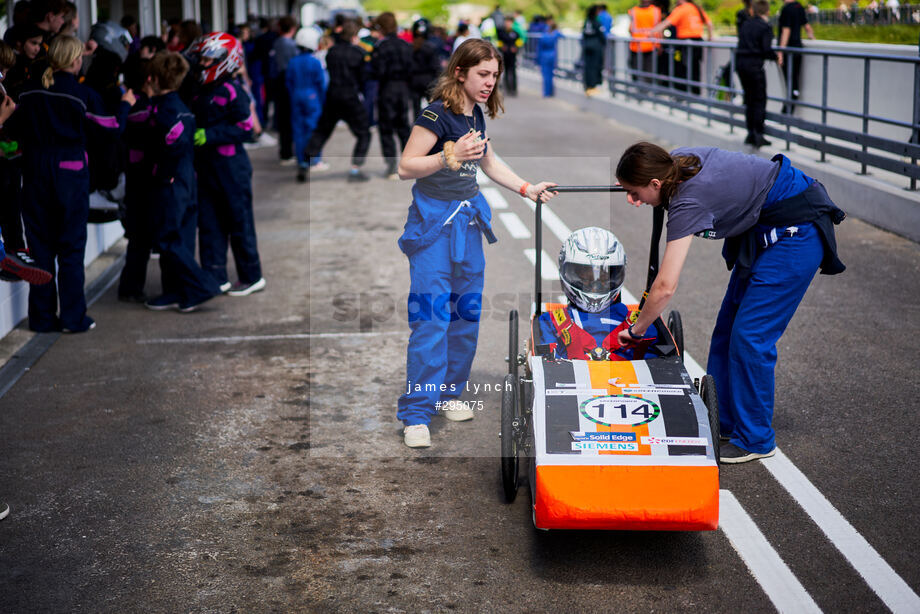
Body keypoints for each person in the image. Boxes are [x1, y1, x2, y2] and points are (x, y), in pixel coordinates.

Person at [614, 142, 846, 463]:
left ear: (656, 183)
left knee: (750, 336)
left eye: (635, 194)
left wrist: (637, 330)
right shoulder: (677, 159)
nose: (633, 201)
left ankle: (756, 439)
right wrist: (633, 180)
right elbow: (654, 175)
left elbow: (665, 287)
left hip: (797, 232)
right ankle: (723, 421)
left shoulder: (687, 202)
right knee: (726, 329)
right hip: (765, 226)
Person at [395, 39, 556, 448]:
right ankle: (417, 412)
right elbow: (405, 167)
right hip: (433, 229)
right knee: (431, 319)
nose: (489, 83)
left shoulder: (475, 113)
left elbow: (486, 160)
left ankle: (449, 393)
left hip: (467, 227)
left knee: (465, 317)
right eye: (483, 74)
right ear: (460, 72)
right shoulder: (436, 114)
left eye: (495, 75)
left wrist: (526, 188)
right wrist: (447, 156)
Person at [4, 35, 134, 332]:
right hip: (70, 176)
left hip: (34, 173)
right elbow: (111, 130)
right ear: (75, 61)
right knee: (71, 251)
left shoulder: (27, 93)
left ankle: (41, 319)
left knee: (40, 250)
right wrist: (125, 105)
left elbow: (10, 128)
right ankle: (73, 319)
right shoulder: (82, 94)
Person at [187, 32, 265, 297]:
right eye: (202, 58)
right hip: (206, 167)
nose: (203, 63)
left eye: (208, 58)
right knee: (209, 223)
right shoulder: (199, 91)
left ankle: (251, 276)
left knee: (238, 222)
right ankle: (214, 276)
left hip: (232, 168)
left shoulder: (233, 90)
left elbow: (247, 128)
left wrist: (211, 135)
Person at [142, 51, 221, 312]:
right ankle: (175, 290)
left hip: (171, 181)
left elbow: (164, 149)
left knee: (168, 238)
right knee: (182, 235)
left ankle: (201, 285)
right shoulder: (180, 107)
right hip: (186, 178)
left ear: (152, 78)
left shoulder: (165, 112)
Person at [537, 227, 663, 361]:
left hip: (628, 378)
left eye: (603, 278)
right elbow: (547, 360)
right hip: (572, 378)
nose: (595, 286)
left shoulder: (639, 322)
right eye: (586, 278)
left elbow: (658, 361)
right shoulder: (551, 320)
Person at [302, 20, 371, 183]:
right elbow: (363, 79)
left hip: (333, 96)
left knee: (322, 131)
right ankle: (356, 168)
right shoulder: (358, 53)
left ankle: (305, 162)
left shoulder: (331, 52)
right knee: (363, 133)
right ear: (354, 36)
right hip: (350, 96)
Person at [372, 12, 413, 180]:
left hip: (387, 89)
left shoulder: (381, 46)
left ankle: (391, 167)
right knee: (403, 126)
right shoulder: (406, 45)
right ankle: (409, 162)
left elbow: (377, 71)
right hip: (403, 88)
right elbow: (411, 69)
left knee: (386, 127)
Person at [286, 26, 326, 183]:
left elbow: (288, 82)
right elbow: (321, 84)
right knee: (313, 129)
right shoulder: (315, 62)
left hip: (296, 96)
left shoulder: (293, 61)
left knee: (298, 130)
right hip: (312, 97)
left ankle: (301, 160)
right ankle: (314, 159)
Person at [647, 0, 713, 94]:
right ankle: (695, 93)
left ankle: (684, 93)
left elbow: (666, 23)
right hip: (698, 42)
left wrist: (652, 32)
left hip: (685, 43)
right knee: (695, 68)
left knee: (682, 68)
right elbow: (710, 24)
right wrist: (710, 39)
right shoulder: (696, 8)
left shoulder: (681, 9)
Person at [737, 0, 778, 148]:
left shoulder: (745, 24)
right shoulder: (765, 27)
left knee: (748, 99)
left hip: (741, 64)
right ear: (767, 11)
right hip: (754, 66)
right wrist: (776, 57)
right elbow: (766, 49)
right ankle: (758, 135)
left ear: (753, 10)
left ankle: (750, 133)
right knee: (759, 99)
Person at [777, 0, 816, 114]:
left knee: (790, 82)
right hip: (798, 49)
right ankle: (789, 107)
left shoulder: (786, 9)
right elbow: (808, 27)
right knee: (794, 81)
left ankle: (786, 112)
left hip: (789, 51)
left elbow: (786, 31)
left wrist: (781, 52)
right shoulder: (799, 7)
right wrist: (812, 39)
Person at [269, 16, 298, 163]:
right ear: (293, 29)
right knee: (289, 119)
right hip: (289, 83)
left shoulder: (276, 43)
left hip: (278, 83)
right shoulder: (291, 45)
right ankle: (288, 152)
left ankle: (285, 151)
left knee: (282, 119)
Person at [409, 18, 442, 119]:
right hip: (429, 81)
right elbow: (436, 67)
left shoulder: (410, 47)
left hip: (414, 81)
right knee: (434, 108)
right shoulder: (430, 47)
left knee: (416, 109)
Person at [628, 0, 662, 84]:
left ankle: (641, 89)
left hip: (638, 45)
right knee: (649, 71)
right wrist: (660, 44)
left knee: (637, 70)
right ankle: (646, 89)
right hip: (650, 45)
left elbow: (630, 29)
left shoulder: (633, 11)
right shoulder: (656, 11)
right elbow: (659, 28)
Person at [581, 5, 606, 95]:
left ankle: (588, 85)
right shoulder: (596, 21)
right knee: (595, 66)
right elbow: (601, 35)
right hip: (595, 47)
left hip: (587, 46)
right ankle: (592, 86)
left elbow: (583, 34)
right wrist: (604, 43)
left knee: (588, 66)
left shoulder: (587, 21)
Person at [536, 17, 563, 97]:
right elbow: (562, 36)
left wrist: (537, 60)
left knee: (545, 75)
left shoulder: (543, 36)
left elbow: (539, 48)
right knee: (551, 75)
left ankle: (546, 92)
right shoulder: (555, 34)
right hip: (552, 56)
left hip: (544, 56)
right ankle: (551, 92)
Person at [497, 16, 522, 96]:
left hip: (512, 56)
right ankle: (506, 88)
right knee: (505, 71)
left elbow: (520, 41)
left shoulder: (515, 33)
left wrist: (516, 47)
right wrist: (502, 47)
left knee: (513, 71)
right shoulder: (501, 32)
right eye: (507, 22)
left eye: (509, 22)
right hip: (504, 55)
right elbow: (499, 42)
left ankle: (513, 89)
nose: (508, 24)